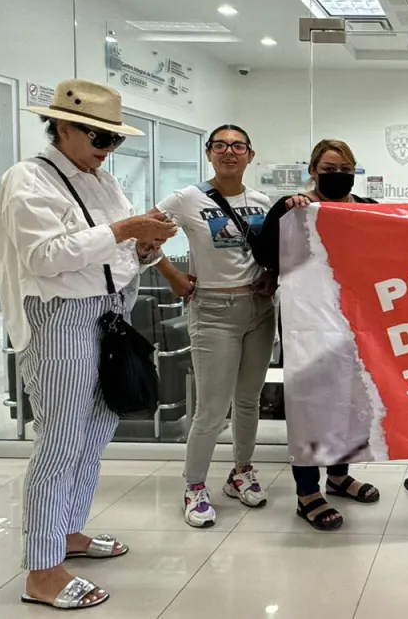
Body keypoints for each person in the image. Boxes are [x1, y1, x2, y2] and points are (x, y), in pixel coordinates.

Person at [0, 80, 177, 609]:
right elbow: (46, 257)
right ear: (62, 127)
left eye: (113, 138)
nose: (104, 146)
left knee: (97, 429)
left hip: (108, 312)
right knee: (60, 439)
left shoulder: (101, 180)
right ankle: (43, 570)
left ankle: (68, 532)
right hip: (59, 319)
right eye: (95, 134)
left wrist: (141, 247)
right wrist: (122, 230)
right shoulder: (28, 180)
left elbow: (112, 256)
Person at [154, 124, 276, 528]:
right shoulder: (188, 199)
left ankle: (241, 471)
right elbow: (141, 232)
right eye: (220, 145)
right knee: (211, 409)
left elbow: (272, 252)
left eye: (238, 145)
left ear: (250, 155)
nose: (229, 152)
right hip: (213, 311)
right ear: (209, 153)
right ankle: (194, 486)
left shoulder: (260, 201)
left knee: (248, 400)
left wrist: (270, 278)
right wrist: (171, 273)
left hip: (259, 309)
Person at [256, 139, 380, 531]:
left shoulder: (371, 211)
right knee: (311, 401)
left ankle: (339, 476)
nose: (336, 174)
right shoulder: (292, 208)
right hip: (306, 323)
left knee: (349, 398)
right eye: (328, 168)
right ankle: (307, 490)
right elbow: (263, 255)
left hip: (354, 322)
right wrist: (288, 220)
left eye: (344, 167)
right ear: (313, 170)